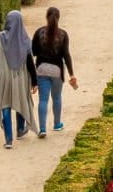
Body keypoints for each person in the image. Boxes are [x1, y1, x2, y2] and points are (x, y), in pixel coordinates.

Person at [0, 10, 36, 149]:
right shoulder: (25, 39)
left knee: (5, 105)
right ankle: (20, 129)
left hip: (3, 76)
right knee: (19, 100)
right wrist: (35, 81)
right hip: (20, 77)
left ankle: (8, 139)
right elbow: (30, 62)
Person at [31, 7, 76, 137]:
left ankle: (43, 128)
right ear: (59, 18)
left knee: (43, 100)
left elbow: (33, 51)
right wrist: (71, 73)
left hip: (42, 69)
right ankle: (57, 124)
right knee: (56, 97)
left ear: (46, 17)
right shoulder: (63, 34)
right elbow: (66, 55)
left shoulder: (39, 32)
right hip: (57, 70)